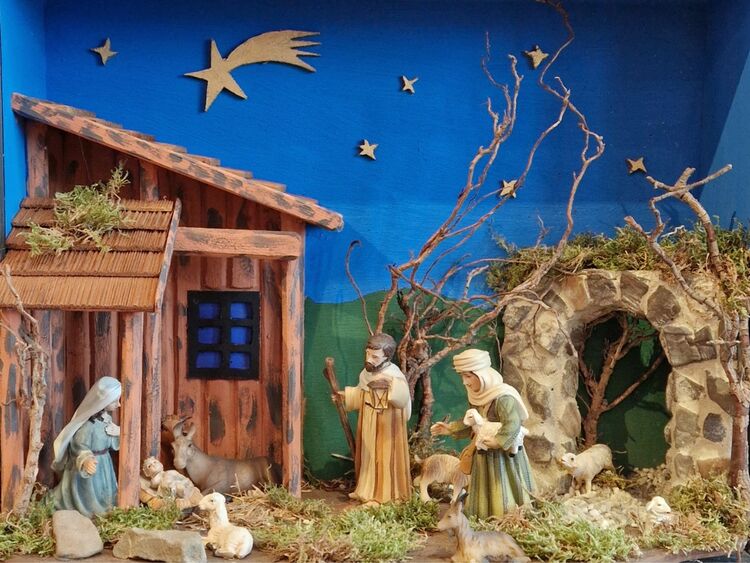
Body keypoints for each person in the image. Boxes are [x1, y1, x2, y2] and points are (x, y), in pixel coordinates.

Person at [431, 349, 535, 518]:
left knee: (502, 484)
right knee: (483, 485)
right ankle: (483, 514)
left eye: (468, 376)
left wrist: (498, 441)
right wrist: (450, 428)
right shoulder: (477, 396)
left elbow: (513, 423)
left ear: (482, 375)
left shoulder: (503, 397)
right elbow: (473, 421)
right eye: (462, 376)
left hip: (503, 457)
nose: (465, 382)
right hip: (483, 451)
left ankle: (506, 515)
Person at [337, 333, 411, 504]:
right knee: (368, 457)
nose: (369, 359)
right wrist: (346, 396)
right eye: (368, 354)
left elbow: (402, 400)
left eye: (375, 357)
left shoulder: (394, 375)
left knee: (384, 458)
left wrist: (389, 387)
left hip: (388, 425)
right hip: (369, 421)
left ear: (387, 357)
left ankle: (384, 496)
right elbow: (362, 394)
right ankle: (366, 490)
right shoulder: (366, 373)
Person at [50, 376, 121, 517]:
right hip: (91, 466)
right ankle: (93, 512)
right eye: (114, 401)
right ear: (103, 401)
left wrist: (118, 433)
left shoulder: (106, 419)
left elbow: (111, 442)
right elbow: (79, 445)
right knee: (91, 496)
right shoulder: (88, 426)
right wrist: (86, 459)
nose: (118, 404)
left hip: (104, 464)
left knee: (105, 493)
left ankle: (105, 509)